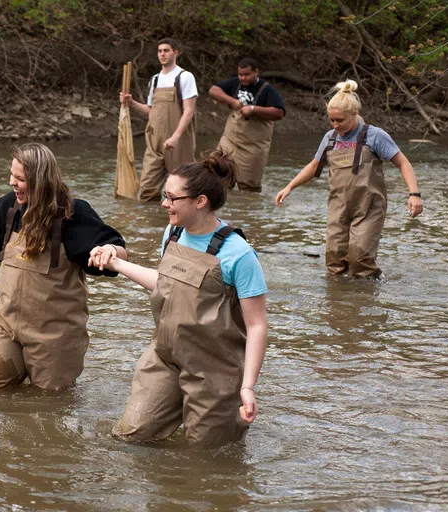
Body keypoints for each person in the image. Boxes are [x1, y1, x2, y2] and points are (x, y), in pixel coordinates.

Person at [89, 150, 268, 445]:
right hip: (165, 357)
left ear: (200, 202)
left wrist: (248, 387)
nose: (164, 204)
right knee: (131, 436)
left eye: (172, 198)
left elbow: (257, 325)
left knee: (207, 457)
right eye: (165, 195)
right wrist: (116, 263)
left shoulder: (239, 255)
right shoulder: (172, 233)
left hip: (214, 371)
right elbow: (166, 284)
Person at [0, 143, 127, 391]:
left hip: (55, 334)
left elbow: (115, 251)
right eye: (11, 175)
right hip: (5, 324)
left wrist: (110, 251)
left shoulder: (74, 214)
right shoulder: (9, 207)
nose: (12, 183)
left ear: (41, 180)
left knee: (48, 408)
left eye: (20, 178)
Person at [275, 79, 424, 278]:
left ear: (354, 114)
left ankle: (369, 296)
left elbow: (403, 163)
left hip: (369, 207)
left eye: (340, 120)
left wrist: (414, 194)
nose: (335, 125)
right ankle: (339, 302)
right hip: (339, 207)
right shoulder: (330, 138)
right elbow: (313, 166)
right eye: (332, 120)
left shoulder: (375, 136)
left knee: (359, 257)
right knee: (334, 258)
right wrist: (289, 187)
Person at [120, 38, 197, 202]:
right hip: (155, 141)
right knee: (147, 189)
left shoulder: (185, 77)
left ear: (175, 53)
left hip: (179, 141)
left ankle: (179, 224)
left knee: (183, 190)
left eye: (166, 50)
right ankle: (150, 224)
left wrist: (175, 137)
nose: (162, 54)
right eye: (160, 51)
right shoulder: (154, 79)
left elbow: (189, 111)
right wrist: (131, 102)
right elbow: (152, 111)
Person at [209, 57, 285, 191]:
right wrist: (232, 101)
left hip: (253, 146)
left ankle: (247, 210)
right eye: (240, 75)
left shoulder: (267, 90)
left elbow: (279, 113)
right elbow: (213, 90)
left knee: (249, 187)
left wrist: (253, 109)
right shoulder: (235, 83)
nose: (243, 78)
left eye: (247, 75)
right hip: (229, 140)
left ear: (256, 72)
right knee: (217, 175)